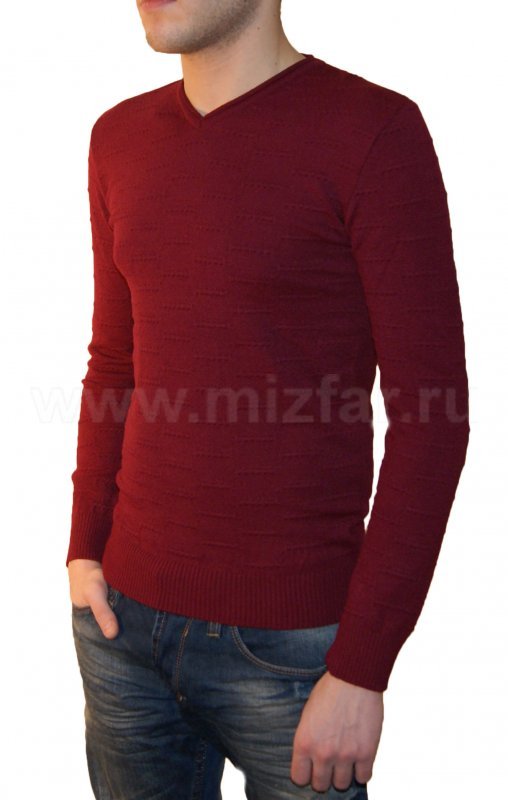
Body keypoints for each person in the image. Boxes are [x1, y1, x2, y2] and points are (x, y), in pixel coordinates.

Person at [66, 1, 470, 798]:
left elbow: (432, 417)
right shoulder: (118, 137)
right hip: (122, 628)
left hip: (295, 653)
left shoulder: (373, 133)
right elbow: (116, 362)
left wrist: (363, 666)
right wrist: (84, 548)